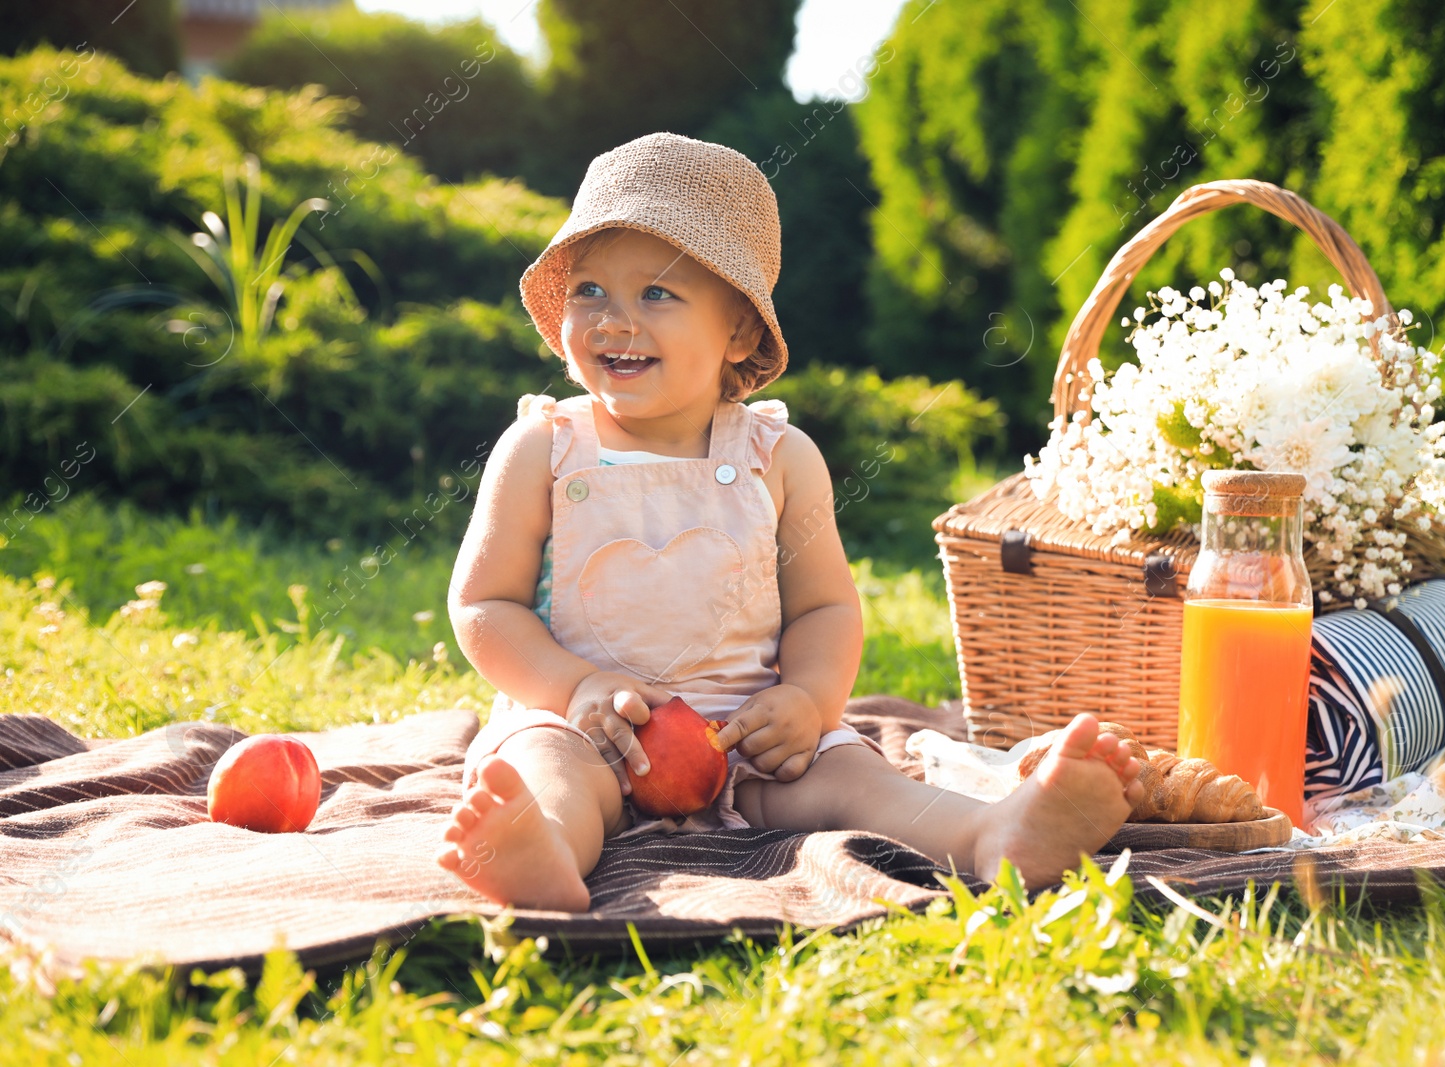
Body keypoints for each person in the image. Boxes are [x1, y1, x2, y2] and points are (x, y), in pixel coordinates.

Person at [435, 132, 1144, 910]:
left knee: (856, 778)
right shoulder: (544, 447)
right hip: (588, 728)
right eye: (590, 291)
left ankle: (994, 831)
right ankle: (539, 850)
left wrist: (808, 699)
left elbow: (824, 606)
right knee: (552, 775)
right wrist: (573, 689)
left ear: (738, 329)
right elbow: (483, 605)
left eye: (657, 294)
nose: (613, 321)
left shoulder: (778, 455)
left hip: (746, 740)